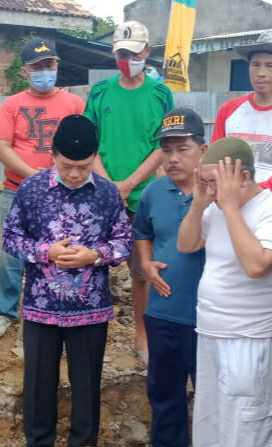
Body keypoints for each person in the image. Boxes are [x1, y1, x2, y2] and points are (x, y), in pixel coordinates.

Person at [3, 115, 131, 447]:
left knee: (87, 380)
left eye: (83, 166)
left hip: (90, 307)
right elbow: (11, 237)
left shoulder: (107, 193)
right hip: (42, 306)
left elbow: (124, 241)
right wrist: (45, 251)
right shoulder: (31, 190)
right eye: (67, 166)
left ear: (94, 159)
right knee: (39, 380)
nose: (75, 174)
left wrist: (96, 256)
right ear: (53, 155)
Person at [177, 137, 272, 447]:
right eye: (204, 182)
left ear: (243, 177)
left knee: (246, 427)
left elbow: (258, 265)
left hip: (249, 336)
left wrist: (229, 207)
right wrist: (199, 203)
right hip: (211, 331)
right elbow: (186, 245)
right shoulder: (213, 207)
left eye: (214, 182)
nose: (210, 190)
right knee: (210, 423)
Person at [84, 20, 174, 363]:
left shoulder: (159, 94)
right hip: (102, 195)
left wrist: (130, 184)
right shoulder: (101, 92)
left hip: (144, 197)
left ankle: (142, 335)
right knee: (92, 266)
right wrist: (110, 185)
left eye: (133, 53)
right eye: (121, 54)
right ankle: (89, 336)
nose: (126, 59)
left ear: (146, 53)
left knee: (142, 272)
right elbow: (89, 141)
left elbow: (162, 145)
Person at [0, 36, 85, 343]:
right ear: (25, 71)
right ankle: (5, 312)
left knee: (60, 250)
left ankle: (55, 305)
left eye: (49, 65)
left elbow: (83, 144)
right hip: (18, 191)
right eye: (37, 67)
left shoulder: (73, 103)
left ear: (57, 66)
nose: (44, 71)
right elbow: (1, 147)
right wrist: (34, 177)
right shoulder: (11, 105)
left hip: (64, 193)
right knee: (12, 253)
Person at [133, 108, 207, 447]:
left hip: (208, 317)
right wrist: (146, 265)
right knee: (164, 386)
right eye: (167, 150)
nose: (173, 157)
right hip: (163, 310)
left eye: (183, 148)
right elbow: (142, 233)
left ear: (203, 150)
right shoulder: (154, 192)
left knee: (209, 391)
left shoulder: (220, 195)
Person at [211, 29, 272, 197]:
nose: (261, 73)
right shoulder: (228, 110)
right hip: (229, 199)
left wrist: (257, 191)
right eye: (255, 65)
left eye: (270, 65)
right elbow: (216, 159)